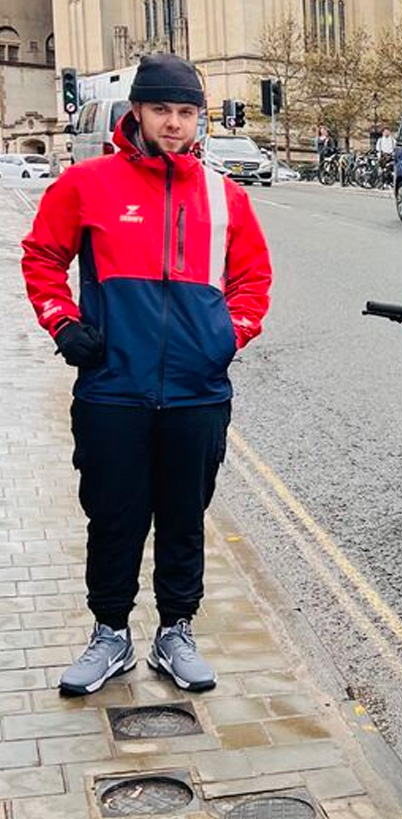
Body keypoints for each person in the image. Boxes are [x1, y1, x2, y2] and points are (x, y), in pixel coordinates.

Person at [21, 53, 272, 696]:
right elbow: (42, 256)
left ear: (199, 119)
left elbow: (253, 281)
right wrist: (63, 322)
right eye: (161, 109)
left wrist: (226, 337)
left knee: (185, 518)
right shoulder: (87, 184)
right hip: (113, 389)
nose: (174, 123)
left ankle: (175, 632)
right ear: (137, 110)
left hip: (197, 394)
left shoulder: (226, 195)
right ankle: (110, 635)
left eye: (186, 112)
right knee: (114, 517)